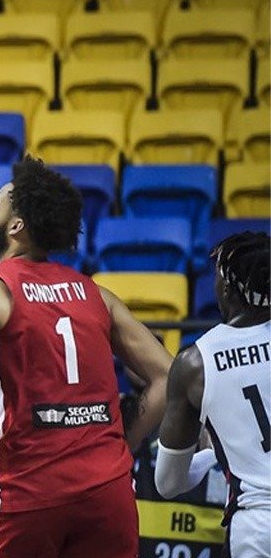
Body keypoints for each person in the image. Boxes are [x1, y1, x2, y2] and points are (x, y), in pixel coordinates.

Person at [0, 156, 174, 558]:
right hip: (108, 491)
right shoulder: (96, 293)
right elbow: (170, 375)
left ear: (16, 227)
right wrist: (123, 442)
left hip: (27, 493)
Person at [155, 231, 270, 558]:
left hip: (256, 527)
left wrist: (211, 455)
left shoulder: (195, 363)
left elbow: (168, 483)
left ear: (230, 286)